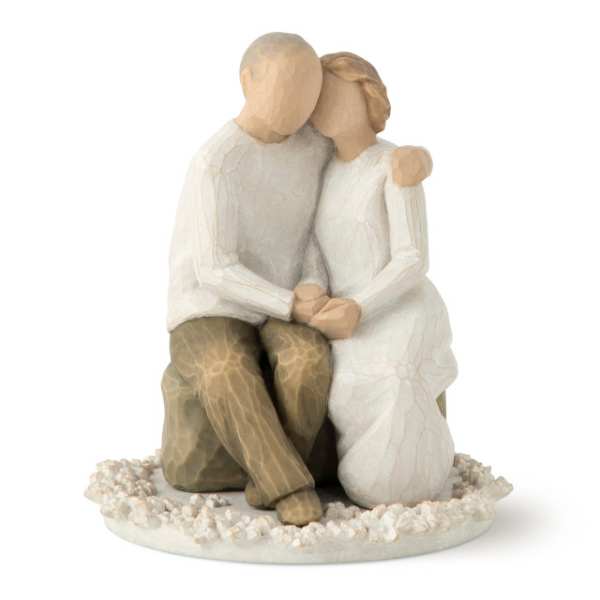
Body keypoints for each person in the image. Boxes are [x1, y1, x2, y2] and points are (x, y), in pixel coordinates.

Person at [161, 33, 335, 526]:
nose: (298, 105)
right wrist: (289, 303)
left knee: (307, 360)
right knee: (224, 368)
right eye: (286, 88)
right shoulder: (217, 162)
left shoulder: (314, 149)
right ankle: (289, 487)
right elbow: (214, 267)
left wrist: (312, 283)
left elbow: (316, 232)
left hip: (286, 302)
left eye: (309, 92)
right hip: (210, 308)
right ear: (248, 81)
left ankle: (266, 475)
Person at [308, 52, 457, 508]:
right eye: (318, 98)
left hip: (398, 304)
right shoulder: (319, 170)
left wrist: (360, 307)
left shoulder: (395, 164)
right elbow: (310, 245)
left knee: (394, 378)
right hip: (343, 314)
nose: (324, 107)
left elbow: (412, 258)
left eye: (335, 95)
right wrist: (313, 289)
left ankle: (409, 486)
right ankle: (364, 481)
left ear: (367, 94)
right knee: (348, 387)